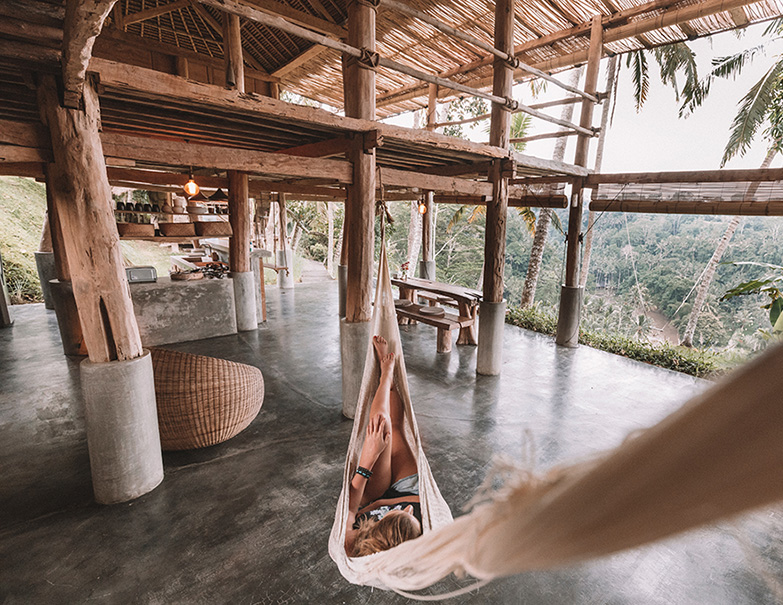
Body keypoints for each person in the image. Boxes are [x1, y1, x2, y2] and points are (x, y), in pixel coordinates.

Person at [345, 335, 423, 557]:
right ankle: (387, 373)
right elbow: (421, 501)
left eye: (402, 513)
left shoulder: (352, 544)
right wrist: (391, 502)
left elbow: (351, 506)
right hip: (409, 489)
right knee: (394, 428)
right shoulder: (419, 529)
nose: (409, 510)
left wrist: (368, 459)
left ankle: (385, 374)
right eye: (412, 515)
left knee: (379, 427)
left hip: (369, 496)